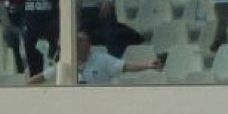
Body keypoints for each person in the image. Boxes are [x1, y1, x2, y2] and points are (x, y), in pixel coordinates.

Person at [27, 29, 161, 85]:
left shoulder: (102, 59)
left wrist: (148, 65)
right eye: (76, 40)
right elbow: (43, 77)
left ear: (89, 44)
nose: (78, 43)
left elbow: (125, 66)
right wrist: (24, 87)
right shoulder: (67, 63)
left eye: (81, 40)